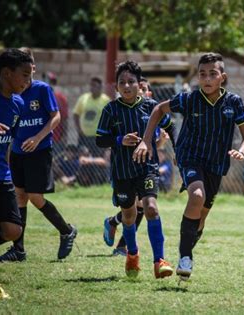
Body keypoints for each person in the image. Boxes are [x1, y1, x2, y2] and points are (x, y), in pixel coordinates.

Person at [134, 52, 244, 281]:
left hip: (216, 164)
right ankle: (185, 257)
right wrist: (145, 139)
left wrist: (243, 151)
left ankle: (189, 244)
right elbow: (159, 109)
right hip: (189, 157)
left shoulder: (234, 102)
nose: (207, 78)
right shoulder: (189, 99)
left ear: (222, 77)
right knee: (197, 195)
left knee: (200, 219)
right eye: (202, 74)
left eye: (212, 74)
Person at [0, 48, 77, 263]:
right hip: (17, 152)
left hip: (39, 151)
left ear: (33, 67)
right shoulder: (12, 92)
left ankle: (66, 230)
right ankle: (19, 250)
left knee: (35, 197)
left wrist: (38, 137)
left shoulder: (42, 89)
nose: (27, 71)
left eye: (30, 65)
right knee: (20, 196)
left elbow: (56, 116)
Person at [96, 60, 175, 278]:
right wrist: (120, 139)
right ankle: (132, 255)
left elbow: (171, 126)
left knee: (151, 208)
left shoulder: (152, 107)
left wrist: (177, 150)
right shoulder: (111, 109)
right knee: (129, 216)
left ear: (140, 84)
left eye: (132, 81)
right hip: (122, 172)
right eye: (122, 82)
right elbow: (100, 140)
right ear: (116, 87)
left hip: (147, 168)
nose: (127, 86)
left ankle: (160, 261)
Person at [0, 49, 32, 299]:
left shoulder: (18, 104)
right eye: (24, 75)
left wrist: (9, 172)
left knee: (13, 231)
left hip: (0, 175)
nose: (28, 81)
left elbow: (8, 143)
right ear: (6, 73)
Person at [73, 77, 111, 157]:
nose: (92, 87)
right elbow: (76, 114)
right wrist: (79, 129)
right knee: (83, 159)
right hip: (84, 136)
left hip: (98, 137)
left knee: (97, 158)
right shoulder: (83, 98)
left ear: (100, 87)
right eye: (91, 85)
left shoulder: (105, 100)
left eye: (94, 85)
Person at [44, 72, 68, 154]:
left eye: (48, 80)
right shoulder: (39, 97)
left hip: (56, 138)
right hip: (41, 138)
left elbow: (64, 119)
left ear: (53, 83)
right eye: (44, 80)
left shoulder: (60, 98)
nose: (45, 82)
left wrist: (64, 137)